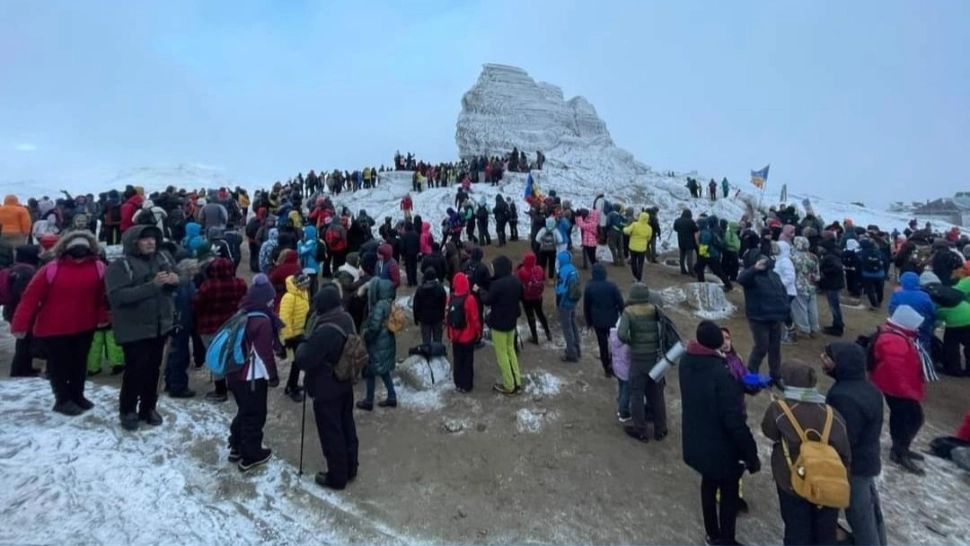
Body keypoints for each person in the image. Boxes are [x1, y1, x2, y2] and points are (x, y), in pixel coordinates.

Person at [680, 321, 760, 546]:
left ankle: (711, 534)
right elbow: (733, 420)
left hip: (697, 437)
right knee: (728, 491)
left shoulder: (687, 361)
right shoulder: (721, 373)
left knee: (708, 483)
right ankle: (726, 539)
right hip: (721, 446)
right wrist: (751, 454)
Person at [11, 231, 109, 415]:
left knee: (79, 363)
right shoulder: (50, 269)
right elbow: (30, 298)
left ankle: (77, 395)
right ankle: (62, 399)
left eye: (83, 251)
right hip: (54, 327)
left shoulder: (98, 267)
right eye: (75, 251)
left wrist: (102, 317)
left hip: (84, 325)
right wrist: (20, 325)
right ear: (65, 250)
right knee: (59, 365)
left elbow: (100, 298)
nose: (79, 256)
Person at [761, 362, 851, 546]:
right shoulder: (831, 414)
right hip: (826, 481)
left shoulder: (780, 409)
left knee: (796, 529)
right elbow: (844, 451)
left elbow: (769, 431)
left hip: (792, 480)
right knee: (825, 530)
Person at [105, 225, 179, 431]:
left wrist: (175, 280)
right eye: (145, 239)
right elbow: (118, 297)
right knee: (135, 371)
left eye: (153, 239)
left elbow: (178, 278)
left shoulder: (162, 259)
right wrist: (152, 286)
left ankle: (148, 408)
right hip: (134, 329)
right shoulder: (120, 266)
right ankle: (128, 410)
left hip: (159, 326)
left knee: (154, 371)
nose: (151, 242)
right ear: (133, 242)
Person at [822, 342, 887, 546]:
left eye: (828, 357)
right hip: (867, 461)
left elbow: (844, 438)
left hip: (852, 468)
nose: (823, 359)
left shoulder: (843, 395)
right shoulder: (868, 388)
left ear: (842, 363)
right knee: (871, 513)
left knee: (860, 518)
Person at [295, 284, 360, 490]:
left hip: (326, 387)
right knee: (347, 425)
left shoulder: (324, 329)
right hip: (345, 380)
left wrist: (302, 345)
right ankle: (351, 467)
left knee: (331, 432)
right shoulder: (346, 318)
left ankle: (337, 476)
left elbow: (305, 359)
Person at [228, 274, 282, 472]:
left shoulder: (242, 312)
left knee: (244, 410)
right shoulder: (263, 322)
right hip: (251, 376)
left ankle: (236, 445)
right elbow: (264, 353)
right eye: (270, 299)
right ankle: (251, 455)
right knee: (255, 414)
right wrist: (273, 376)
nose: (272, 303)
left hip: (234, 372)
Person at [869, 305, 927, 474]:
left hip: (897, 386)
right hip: (897, 388)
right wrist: (908, 390)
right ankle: (900, 451)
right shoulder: (894, 339)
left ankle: (900, 448)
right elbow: (896, 369)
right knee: (911, 418)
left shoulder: (896, 335)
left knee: (908, 417)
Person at [617, 282, 666, 442]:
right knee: (657, 394)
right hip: (655, 357)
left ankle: (641, 430)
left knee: (636, 394)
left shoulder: (629, 312)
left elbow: (621, 334)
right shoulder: (655, 309)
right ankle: (661, 429)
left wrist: (632, 341)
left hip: (638, 358)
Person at [738, 251, 789, 387]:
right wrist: (755, 269)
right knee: (761, 347)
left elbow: (782, 292)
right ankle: (751, 375)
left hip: (776, 317)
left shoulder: (774, 275)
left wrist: (785, 309)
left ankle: (776, 376)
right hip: (759, 318)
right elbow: (741, 279)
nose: (764, 262)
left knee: (775, 349)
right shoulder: (751, 276)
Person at [478, 256, 523, 394]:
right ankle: (517, 381)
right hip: (511, 322)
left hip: (499, 324)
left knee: (502, 354)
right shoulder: (516, 281)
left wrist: (479, 291)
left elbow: (487, 300)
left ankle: (509, 385)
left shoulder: (498, 285)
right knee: (511, 350)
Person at [357, 278, 398, 411]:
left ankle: (369, 401)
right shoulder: (388, 302)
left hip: (377, 343)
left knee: (370, 371)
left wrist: (366, 335)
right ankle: (392, 396)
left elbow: (374, 326)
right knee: (383, 370)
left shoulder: (379, 306)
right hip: (387, 340)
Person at [4, 245, 41, 377]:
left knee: (25, 340)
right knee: (24, 341)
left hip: (13, 310)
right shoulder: (27, 272)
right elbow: (23, 294)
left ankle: (25, 367)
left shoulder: (16, 268)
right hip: (21, 311)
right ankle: (20, 369)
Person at [583, 263, 625, 377]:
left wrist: (589, 322)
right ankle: (615, 365)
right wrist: (623, 316)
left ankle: (606, 367)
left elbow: (586, 306)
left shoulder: (589, 287)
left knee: (603, 345)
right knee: (614, 343)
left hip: (598, 322)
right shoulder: (612, 286)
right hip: (612, 320)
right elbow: (620, 302)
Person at [447, 272, 482, 392]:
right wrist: (478, 332)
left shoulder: (451, 297)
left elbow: (448, 317)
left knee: (457, 360)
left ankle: (458, 383)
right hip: (467, 336)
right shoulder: (470, 299)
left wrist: (450, 334)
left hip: (455, 336)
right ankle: (467, 385)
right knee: (467, 361)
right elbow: (475, 318)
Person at [280, 274, 311, 402]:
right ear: (298, 284)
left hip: (301, 333)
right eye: (305, 284)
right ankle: (291, 388)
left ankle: (291, 385)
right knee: (296, 362)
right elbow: (284, 319)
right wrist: (288, 337)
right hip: (292, 336)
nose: (307, 287)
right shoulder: (289, 297)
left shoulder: (303, 293)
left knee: (297, 363)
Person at [517, 252, 552, 344]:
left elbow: (518, 281)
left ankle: (535, 337)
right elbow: (543, 279)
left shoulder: (522, 271)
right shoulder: (539, 269)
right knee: (540, 314)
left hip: (527, 297)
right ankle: (548, 333)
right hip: (538, 296)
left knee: (530, 316)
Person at [790, 236, 820, 338]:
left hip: (799, 285)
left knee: (800, 307)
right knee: (812, 307)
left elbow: (792, 272)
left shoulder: (794, 258)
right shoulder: (814, 257)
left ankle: (804, 329)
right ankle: (814, 328)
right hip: (811, 284)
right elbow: (816, 274)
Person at [555, 250, 582, 363]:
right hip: (573, 301)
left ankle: (571, 353)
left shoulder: (563, 271)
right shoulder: (573, 269)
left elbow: (561, 289)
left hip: (565, 302)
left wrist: (560, 303)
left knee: (567, 328)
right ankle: (577, 348)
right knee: (573, 324)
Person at [818, 239, 846, 337]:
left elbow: (837, 268)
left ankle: (838, 327)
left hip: (832, 284)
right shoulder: (834, 254)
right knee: (835, 306)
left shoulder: (830, 257)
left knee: (834, 306)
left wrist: (825, 271)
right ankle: (836, 324)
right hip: (835, 283)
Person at [413, 268, 447, 345]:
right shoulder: (440, 288)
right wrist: (442, 315)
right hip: (437, 317)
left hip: (424, 318)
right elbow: (443, 303)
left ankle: (427, 353)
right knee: (438, 339)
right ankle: (437, 353)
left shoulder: (420, 289)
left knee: (426, 340)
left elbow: (416, 305)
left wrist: (416, 318)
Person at [623, 211, 652, 282]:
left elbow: (626, 231)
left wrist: (624, 228)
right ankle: (639, 278)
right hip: (642, 248)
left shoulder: (635, 225)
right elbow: (649, 238)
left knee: (633, 262)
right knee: (640, 264)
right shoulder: (649, 228)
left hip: (633, 247)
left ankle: (635, 275)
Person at [859, 238, 887, 310]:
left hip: (867, 274)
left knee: (869, 290)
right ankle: (879, 302)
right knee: (880, 289)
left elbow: (860, 263)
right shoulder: (879, 252)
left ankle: (874, 304)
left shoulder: (862, 253)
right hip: (880, 274)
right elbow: (885, 261)